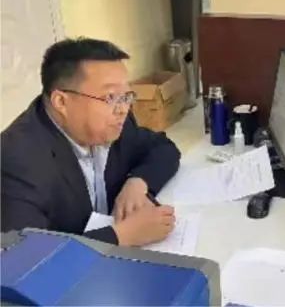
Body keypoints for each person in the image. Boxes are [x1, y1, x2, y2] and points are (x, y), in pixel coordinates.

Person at [1, 38, 181, 246]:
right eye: (110, 96)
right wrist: (122, 235)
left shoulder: (114, 121)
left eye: (126, 96)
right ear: (61, 102)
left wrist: (137, 182)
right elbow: (24, 254)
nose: (123, 109)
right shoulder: (15, 160)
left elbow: (163, 148)